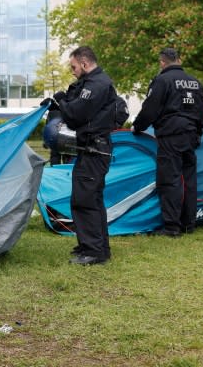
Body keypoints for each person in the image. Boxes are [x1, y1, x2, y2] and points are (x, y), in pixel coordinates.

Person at [46, 46, 120, 265]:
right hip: (92, 149)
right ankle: (97, 247)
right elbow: (76, 105)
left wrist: (62, 102)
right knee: (92, 200)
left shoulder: (96, 84)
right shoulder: (94, 83)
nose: (73, 71)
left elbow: (77, 114)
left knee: (84, 200)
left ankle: (94, 252)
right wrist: (60, 102)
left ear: (85, 63)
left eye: (74, 67)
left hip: (94, 150)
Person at [132, 48, 203, 237]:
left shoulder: (162, 81)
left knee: (169, 180)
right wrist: (197, 133)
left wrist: (138, 127)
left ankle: (172, 227)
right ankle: (189, 223)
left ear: (162, 63)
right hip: (190, 135)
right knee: (189, 180)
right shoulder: (196, 83)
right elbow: (200, 113)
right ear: (179, 60)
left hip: (171, 135)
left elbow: (150, 109)